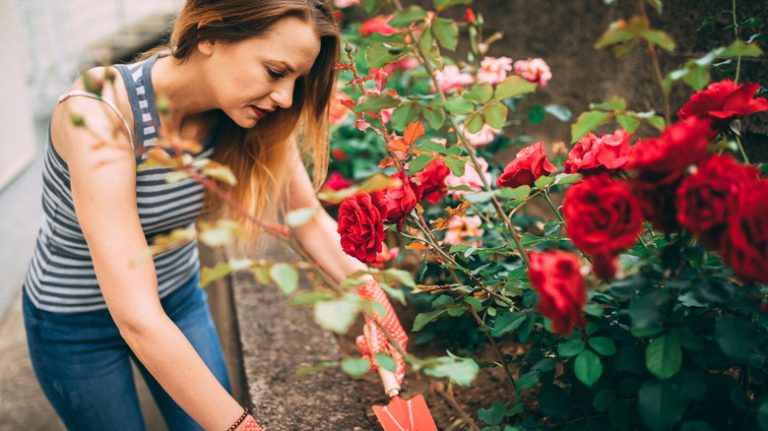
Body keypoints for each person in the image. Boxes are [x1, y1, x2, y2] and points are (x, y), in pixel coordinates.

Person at [21, 0, 407, 429]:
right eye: (276, 72)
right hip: (74, 324)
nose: (285, 98)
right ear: (210, 34)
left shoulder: (244, 115)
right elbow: (137, 316)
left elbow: (309, 218)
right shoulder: (98, 112)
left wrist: (373, 298)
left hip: (179, 299)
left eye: (297, 80)